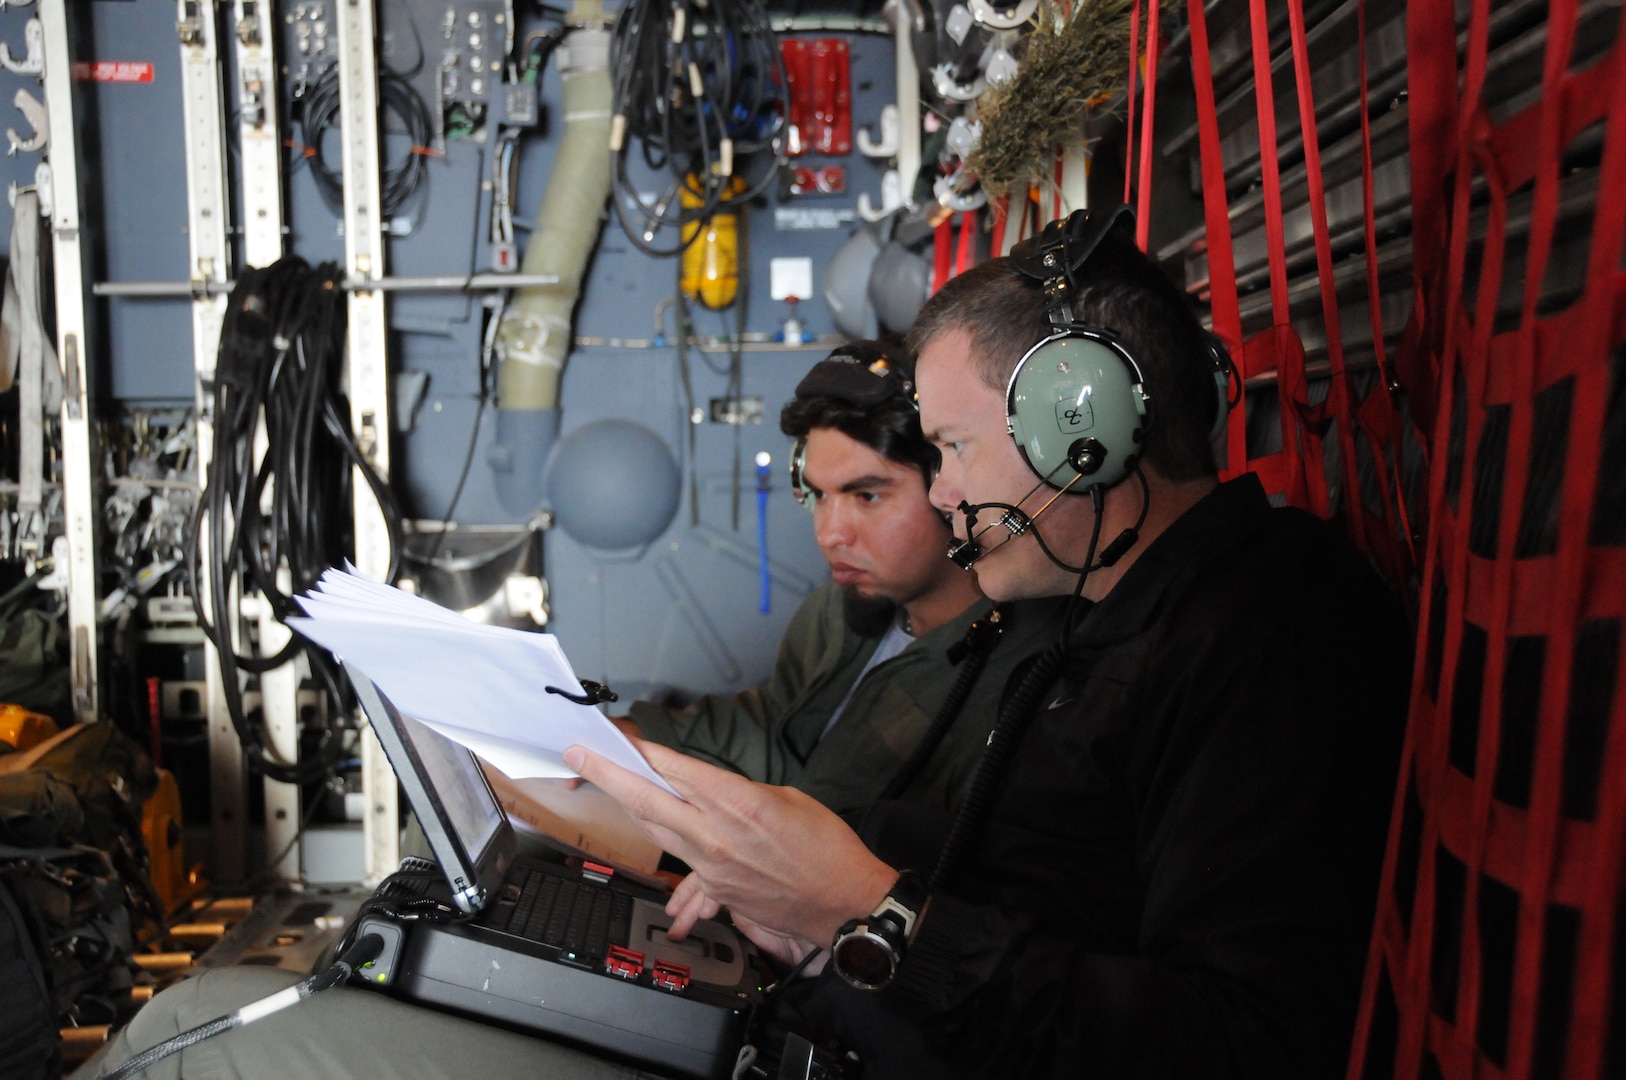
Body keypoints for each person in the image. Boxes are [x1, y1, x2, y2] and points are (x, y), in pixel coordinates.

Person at [87, 207, 1409, 1080]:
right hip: (812, 1016)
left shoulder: (1267, 631)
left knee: (198, 1037)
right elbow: (1028, 889)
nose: (947, 495)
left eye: (951, 450)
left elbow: (1248, 1045)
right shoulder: (1112, 621)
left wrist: (866, 916)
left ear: (1086, 428)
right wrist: (774, 873)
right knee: (206, 1018)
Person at [628, 339, 1064, 815]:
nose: (829, 534)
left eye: (867, 496)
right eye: (819, 495)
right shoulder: (838, 609)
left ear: (950, 490)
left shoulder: (1030, 678)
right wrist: (639, 739)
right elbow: (779, 729)